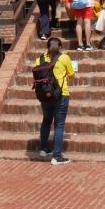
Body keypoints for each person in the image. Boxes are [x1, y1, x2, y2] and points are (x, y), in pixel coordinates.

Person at [34, 36, 75, 165]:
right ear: (60, 47)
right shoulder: (64, 58)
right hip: (61, 94)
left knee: (46, 120)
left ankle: (43, 149)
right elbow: (71, 75)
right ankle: (56, 156)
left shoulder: (39, 59)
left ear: (47, 47)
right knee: (59, 124)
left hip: (45, 95)